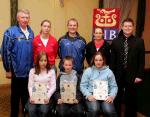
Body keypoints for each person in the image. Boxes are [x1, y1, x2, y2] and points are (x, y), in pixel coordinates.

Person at [1, 9, 34, 117]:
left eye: (27, 17)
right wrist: (8, 69)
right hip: (16, 71)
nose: (25, 19)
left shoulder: (31, 32)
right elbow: (5, 51)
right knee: (15, 97)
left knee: (26, 96)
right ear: (18, 18)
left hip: (28, 72)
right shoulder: (10, 32)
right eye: (22, 17)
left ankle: (25, 113)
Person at [110, 18, 145, 117]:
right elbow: (113, 60)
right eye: (125, 26)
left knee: (131, 98)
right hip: (118, 75)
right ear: (122, 27)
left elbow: (141, 61)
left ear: (133, 27)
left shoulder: (139, 42)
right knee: (117, 97)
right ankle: (116, 114)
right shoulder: (115, 41)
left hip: (133, 75)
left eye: (130, 26)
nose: (127, 28)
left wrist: (139, 75)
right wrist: (111, 74)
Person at [80, 52, 118, 117]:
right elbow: (82, 86)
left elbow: (114, 87)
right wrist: (88, 95)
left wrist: (111, 96)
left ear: (103, 61)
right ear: (93, 61)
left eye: (100, 60)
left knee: (108, 110)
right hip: (92, 96)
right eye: (96, 60)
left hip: (106, 96)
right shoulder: (88, 71)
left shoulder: (109, 72)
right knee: (94, 109)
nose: (98, 62)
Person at [28, 52, 56, 117]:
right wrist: (31, 96)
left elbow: (53, 87)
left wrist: (48, 96)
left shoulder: (51, 71)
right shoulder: (32, 71)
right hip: (34, 95)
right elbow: (30, 86)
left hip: (46, 96)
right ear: (38, 61)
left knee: (44, 110)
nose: (43, 62)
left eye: (45, 60)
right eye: (41, 60)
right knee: (31, 110)